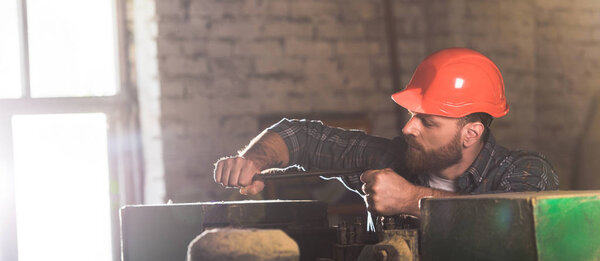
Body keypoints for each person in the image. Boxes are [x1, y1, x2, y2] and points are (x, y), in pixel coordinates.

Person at [214, 47, 559, 217]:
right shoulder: (389, 160)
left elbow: (515, 220)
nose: (408, 127)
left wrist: (411, 200)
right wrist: (253, 160)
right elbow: (297, 137)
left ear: (471, 133)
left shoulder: (526, 171)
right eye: (412, 114)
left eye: (427, 121)